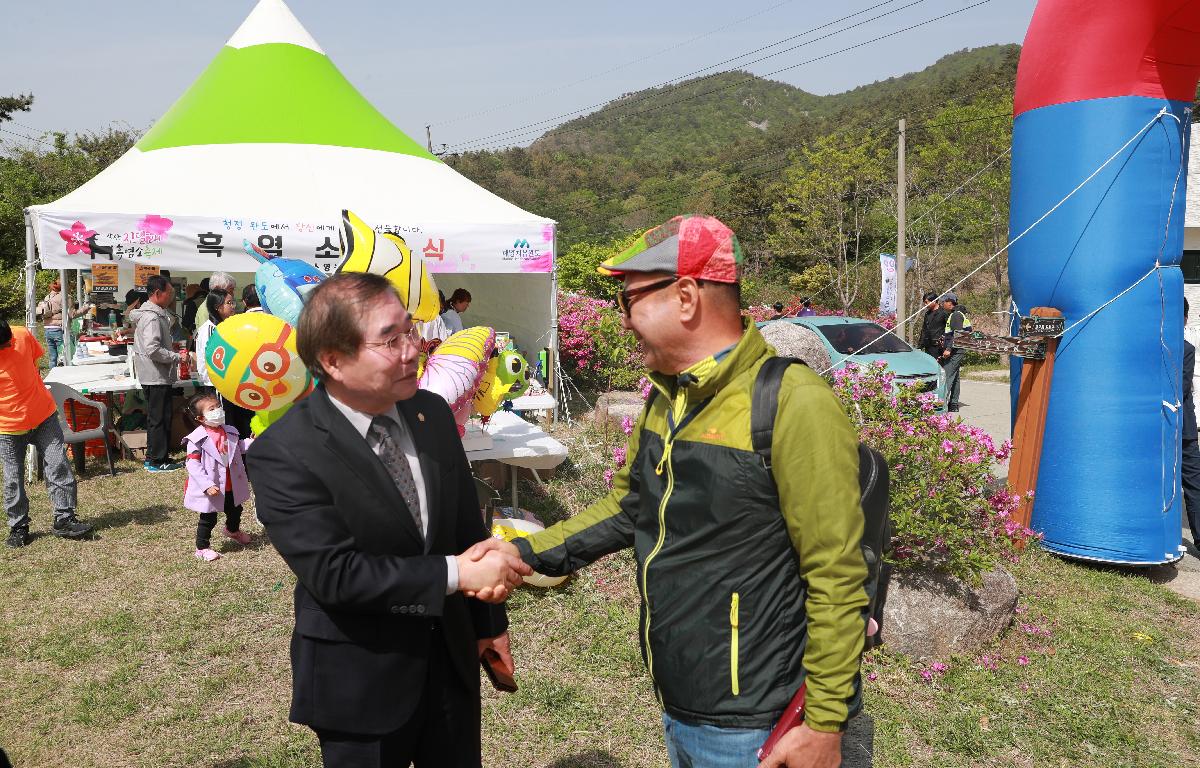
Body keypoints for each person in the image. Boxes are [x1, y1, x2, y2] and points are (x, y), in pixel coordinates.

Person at [469, 215, 868, 767]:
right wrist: (522, 552)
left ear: (685, 296)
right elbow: (630, 507)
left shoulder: (792, 401)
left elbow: (837, 572)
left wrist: (825, 725)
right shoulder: (668, 397)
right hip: (682, 697)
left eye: (628, 299)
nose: (625, 319)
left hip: (761, 721)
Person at [244, 272, 532, 767]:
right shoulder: (285, 452)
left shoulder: (431, 414)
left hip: (450, 661)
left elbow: (466, 528)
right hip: (360, 678)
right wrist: (459, 574)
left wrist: (489, 624)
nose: (411, 349)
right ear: (332, 360)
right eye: (390, 338)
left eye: (410, 330)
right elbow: (337, 574)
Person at [0, 317, 94, 548]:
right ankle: (18, 526)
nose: (8, 346)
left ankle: (64, 518)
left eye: (8, 341)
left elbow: (35, 365)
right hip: (8, 426)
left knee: (58, 463)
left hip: (43, 415)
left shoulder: (21, 335)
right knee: (13, 478)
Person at [131, 275, 192, 473]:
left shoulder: (154, 314)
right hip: (155, 375)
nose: (172, 297)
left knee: (158, 417)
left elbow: (155, 346)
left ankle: (155, 456)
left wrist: (170, 348)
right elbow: (153, 349)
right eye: (170, 293)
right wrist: (176, 357)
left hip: (155, 374)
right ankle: (157, 460)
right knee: (159, 418)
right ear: (158, 294)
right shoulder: (151, 316)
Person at [182, 393, 253, 561]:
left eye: (218, 407)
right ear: (200, 418)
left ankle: (232, 530)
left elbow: (239, 446)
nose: (218, 411)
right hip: (212, 486)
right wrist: (206, 485)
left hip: (231, 483)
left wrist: (252, 442)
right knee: (208, 518)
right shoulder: (196, 439)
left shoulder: (230, 431)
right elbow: (192, 464)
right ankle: (202, 547)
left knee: (236, 509)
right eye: (211, 409)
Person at [35, 279, 92, 367]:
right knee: (64, 355)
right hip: (59, 328)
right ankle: (65, 373)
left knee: (52, 356)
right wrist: (86, 309)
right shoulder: (66, 297)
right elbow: (72, 314)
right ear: (65, 286)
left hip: (47, 329)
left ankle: (52, 374)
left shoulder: (48, 297)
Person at [1183, 298, 1200, 552]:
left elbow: (1181, 387)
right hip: (1179, 427)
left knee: (1195, 483)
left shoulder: (1186, 349)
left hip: (1184, 430)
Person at [939, 292, 971, 412]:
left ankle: (941, 405)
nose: (942, 304)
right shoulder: (956, 314)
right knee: (955, 377)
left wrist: (948, 349)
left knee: (948, 375)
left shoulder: (956, 315)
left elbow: (957, 334)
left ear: (950, 303)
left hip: (955, 350)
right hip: (957, 350)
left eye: (944, 301)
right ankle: (953, 404)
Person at [917, 291, 948, 359]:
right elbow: (924, 330)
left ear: (934, 301)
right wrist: (920, 346)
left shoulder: (943, 313)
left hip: (939, 347)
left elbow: (949, 329)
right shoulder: (927, 314)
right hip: (928, 346)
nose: (925, 305)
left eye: (926, 302)